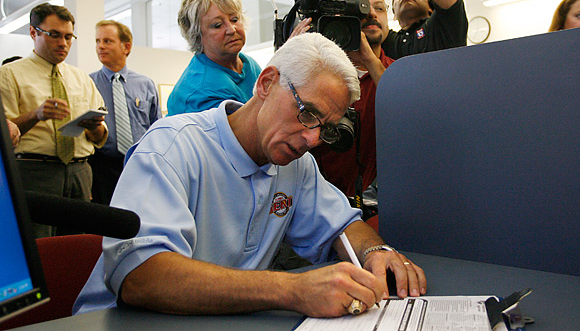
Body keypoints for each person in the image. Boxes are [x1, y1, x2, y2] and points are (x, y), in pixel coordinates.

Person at [72, 33, 426, 317]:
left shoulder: (295, 166)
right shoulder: (171, 147)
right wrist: (292, 290)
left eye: (326, 128)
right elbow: (142, 277)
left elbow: (342, 226)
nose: (313, 139)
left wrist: (375, 250)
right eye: (307, 113)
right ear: (267, 83)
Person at [0, 3, 107, 238]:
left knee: (79, 246)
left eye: (69, 37)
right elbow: (5, 134)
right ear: (33, 32)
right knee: (39, 246)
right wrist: (36, 115)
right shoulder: (9, 74)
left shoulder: (82, 78)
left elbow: (99, 138)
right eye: (54, 35)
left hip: (80, 171)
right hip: (35, 172)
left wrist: (95, 127)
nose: (63, 43)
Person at [311, 0, 393, 203]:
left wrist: (369, 60)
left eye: (380, 8)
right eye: (362, 9)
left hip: (381, 204)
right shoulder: (319, 74)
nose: (373, 14)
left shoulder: (399, 74)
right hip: (321, 201)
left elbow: (413, 117)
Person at [89, 20, 161, 205]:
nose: (100, 47)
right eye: (97, 41)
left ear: (126, 47)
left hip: (140, 165)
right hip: (102, 168)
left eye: (107, 41)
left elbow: (156, 127)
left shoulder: (145, 84)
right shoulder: (88, 84)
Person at [167, 0, 262, 115]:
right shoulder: (203, 90)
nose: (231, 29)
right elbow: (250, 130)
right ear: (197, 35)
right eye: (217, 25)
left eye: (234, 19)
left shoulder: (248, 63)